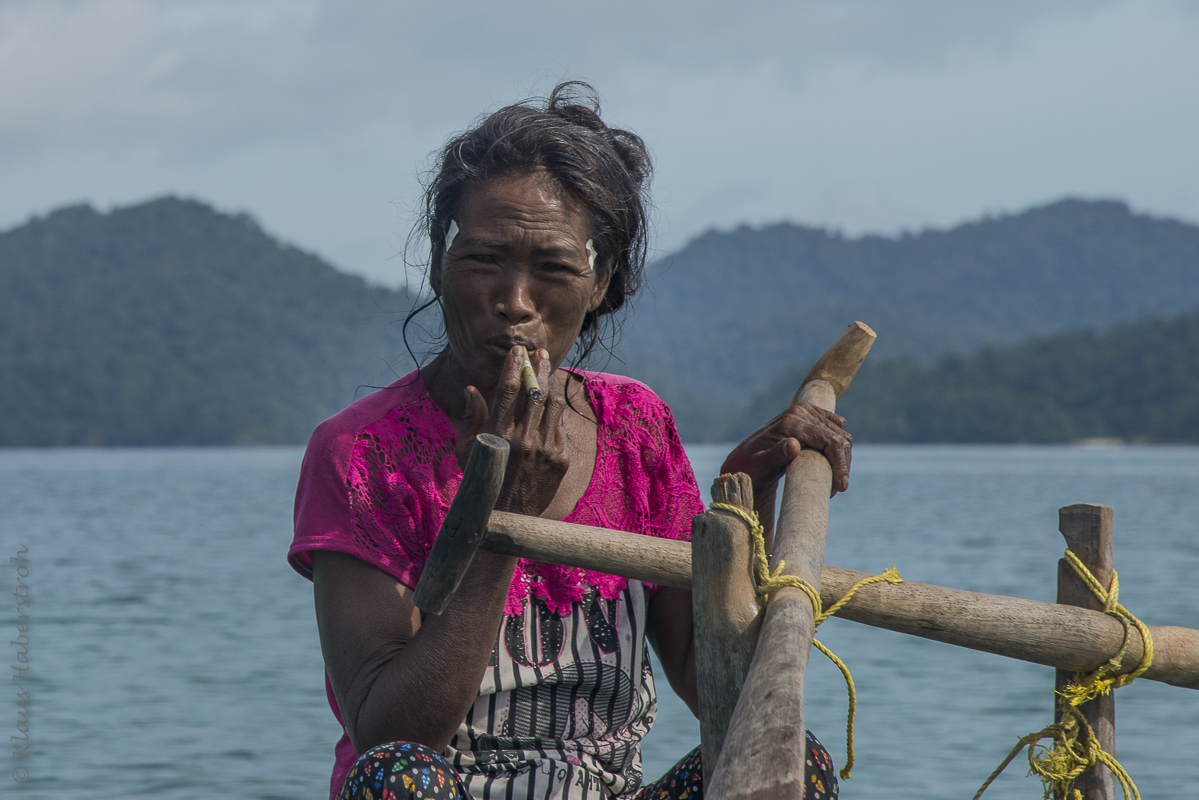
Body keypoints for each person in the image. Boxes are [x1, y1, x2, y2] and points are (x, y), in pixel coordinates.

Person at [289, 82, 853, 800]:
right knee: (392, 777)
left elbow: (723, 694)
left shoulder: (634, 427)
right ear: (438, 262)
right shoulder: (362, 452)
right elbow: (390, 732)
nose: (515, 302)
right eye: (484, 260)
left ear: (601, 283)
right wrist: (503, 524)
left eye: (553, 268)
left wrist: (745, 500)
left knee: (789, 762)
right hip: (440, 787)